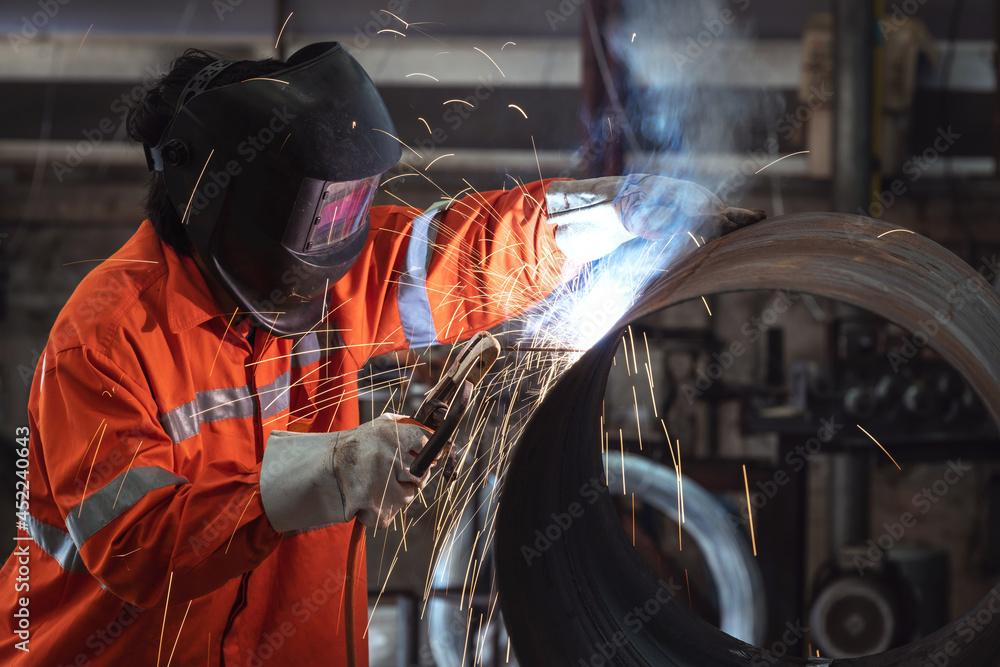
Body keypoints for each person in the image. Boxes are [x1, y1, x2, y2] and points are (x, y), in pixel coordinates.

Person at [0, 42, 764, 666]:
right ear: (223, 208)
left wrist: (619, 214)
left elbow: (468, 254)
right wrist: (326, 471)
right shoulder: (103, 339)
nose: (324, 280)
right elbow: (133, 542)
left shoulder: (327, 268)